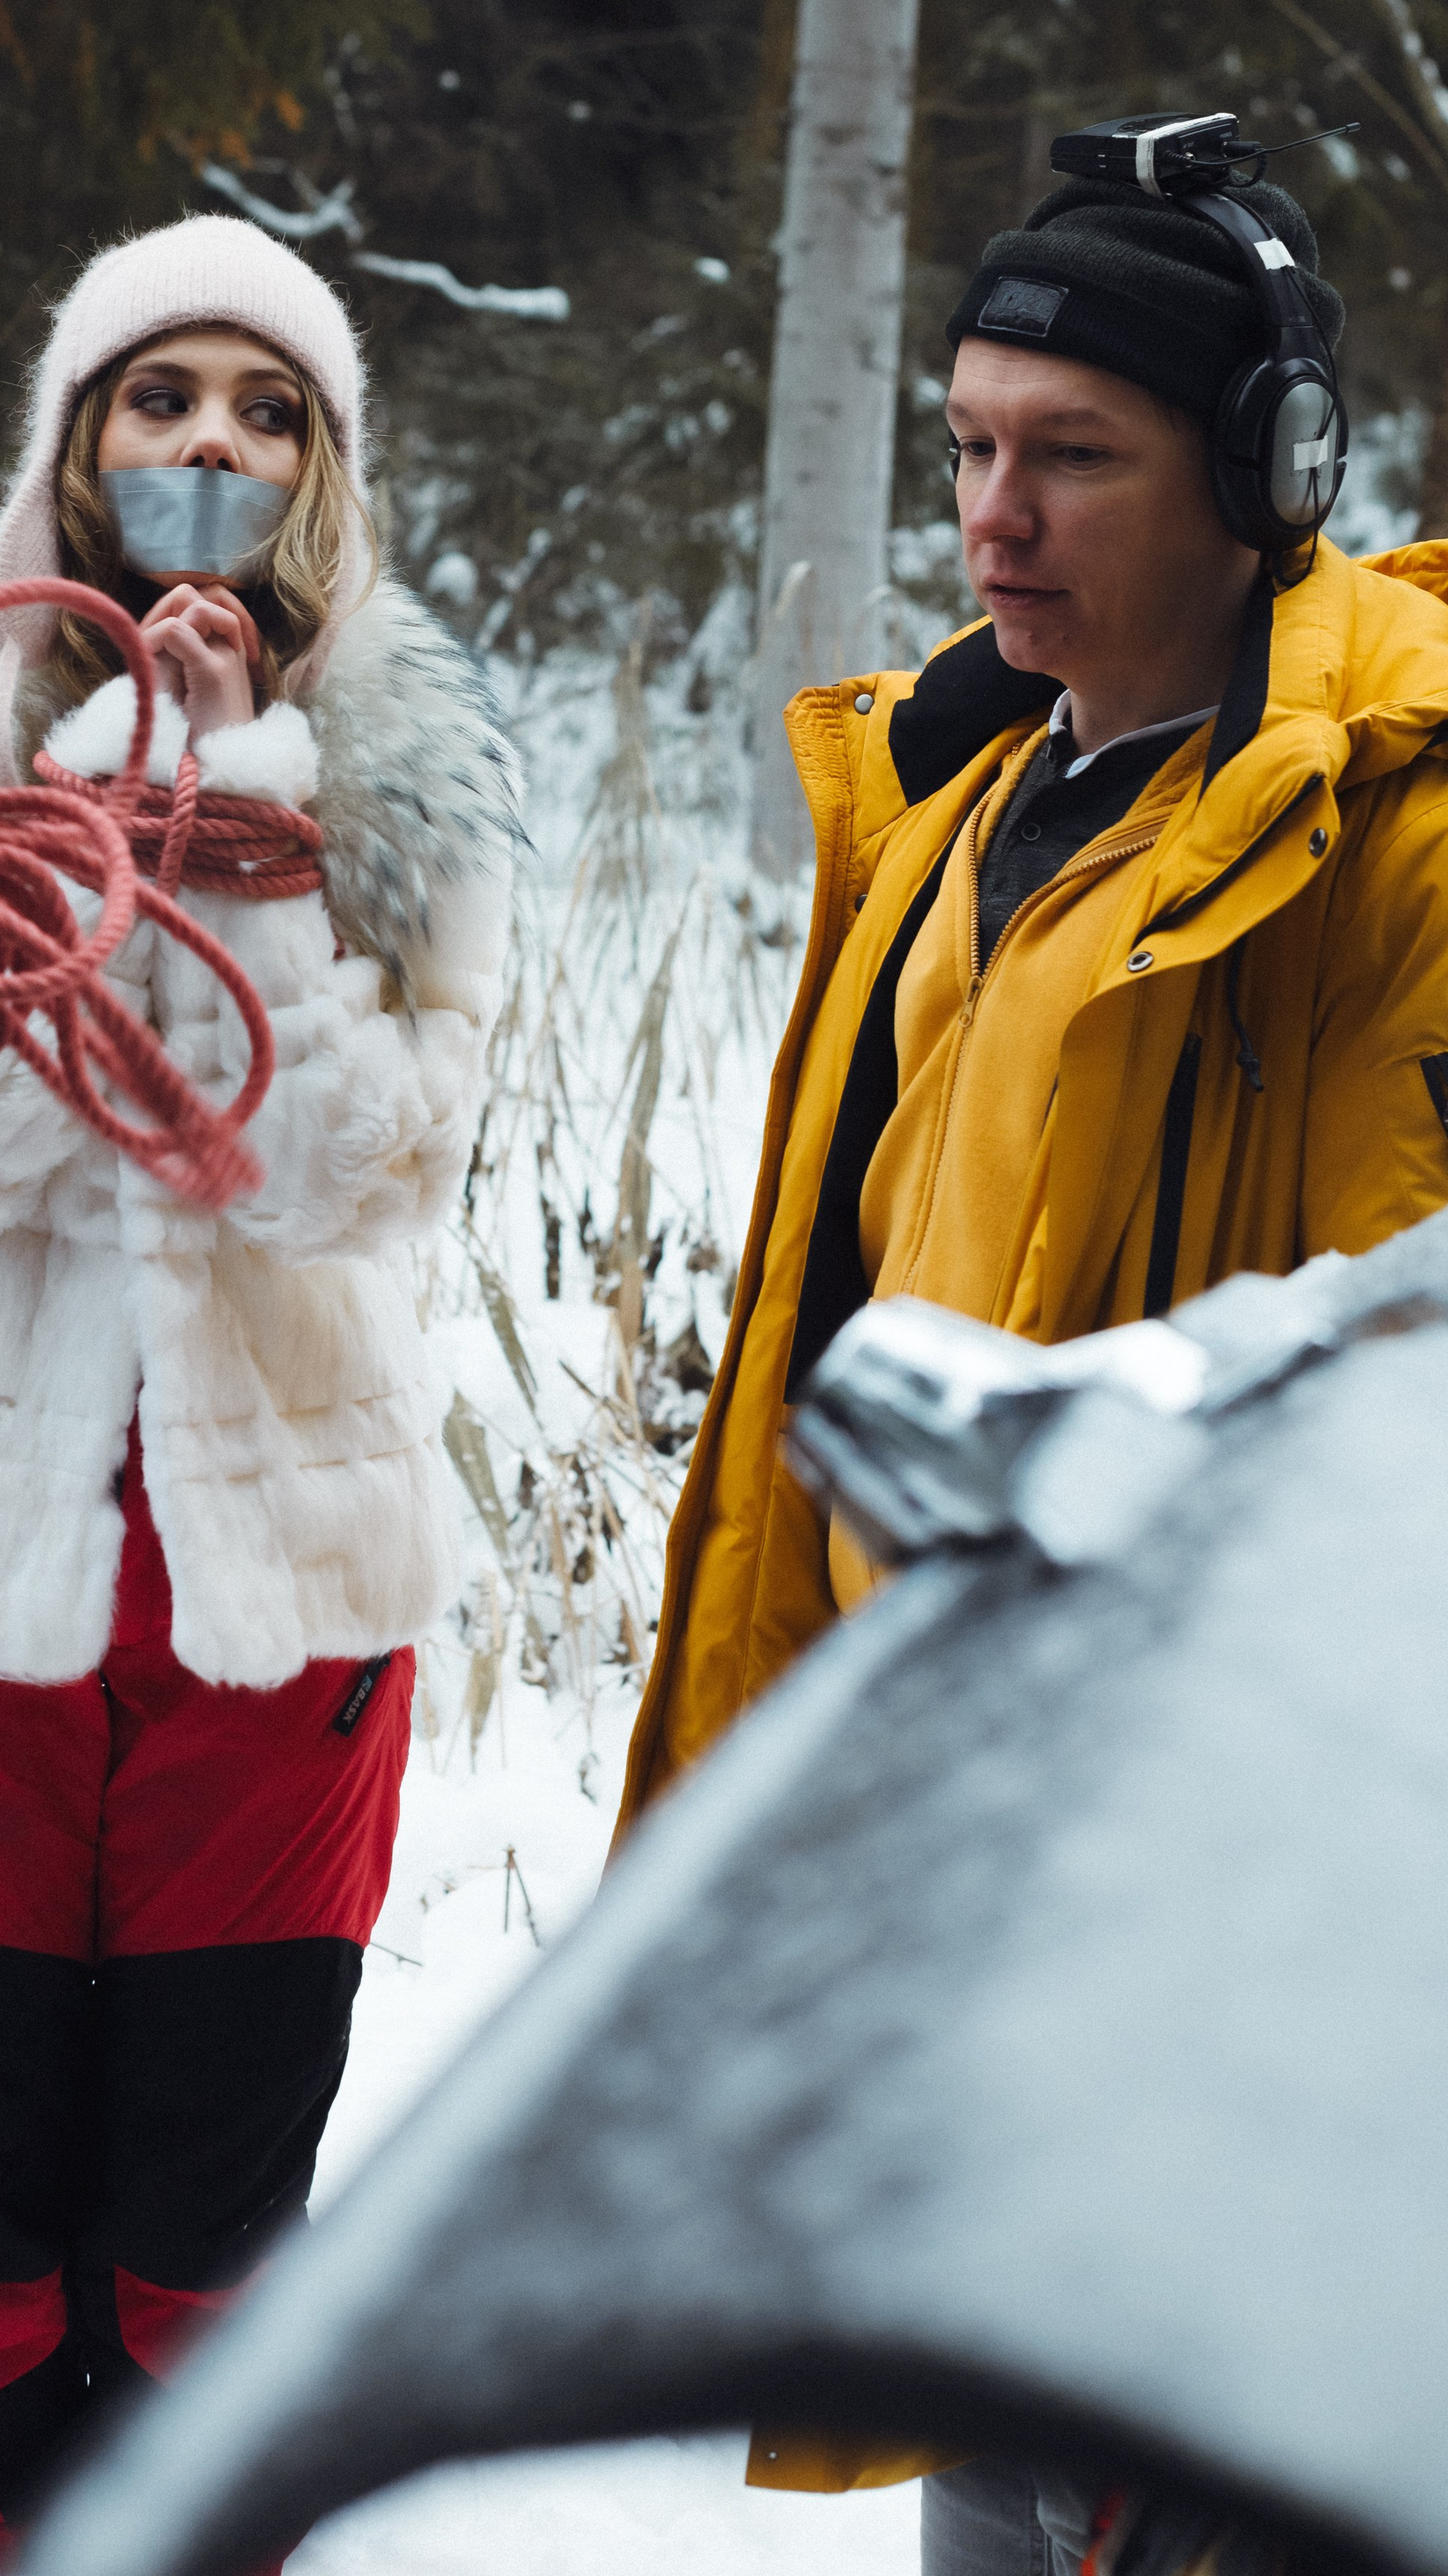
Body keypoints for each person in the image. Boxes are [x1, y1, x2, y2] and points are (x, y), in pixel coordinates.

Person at [615, 138, 1448, 2574]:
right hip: (944, 1865)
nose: (996, 513)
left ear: (1270, 477)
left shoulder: (1385, 847)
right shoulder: (964, 796)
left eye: (1074, 454)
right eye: (971, 444)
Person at [0, 213, 521, 2573]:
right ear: (79, 436)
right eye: (161, 395)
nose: (212, 440)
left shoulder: (406, 766)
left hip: (272, 1606)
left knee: (206, 2271)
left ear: (324, 465)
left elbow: (342, 1180)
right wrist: (91, 794)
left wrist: (252, 838)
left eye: (268, 406)